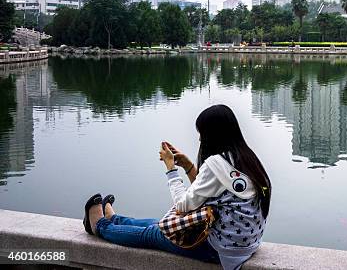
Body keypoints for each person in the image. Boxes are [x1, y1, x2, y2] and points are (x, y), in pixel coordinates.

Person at [83, 105, 272, 270]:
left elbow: (182, 205)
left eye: (201, 134)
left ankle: (100, 226)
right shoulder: (245, 159)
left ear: (211, 135)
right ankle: (115, 219)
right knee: (158, 224)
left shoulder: (216, 163)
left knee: (152, 234)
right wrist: (188, 166)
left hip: (220, 249)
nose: (199, 140)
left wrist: (171, 169)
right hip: (245, 243)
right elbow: (207, 192)